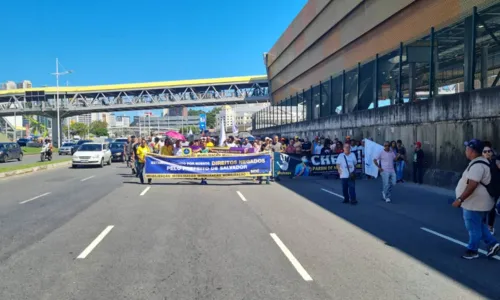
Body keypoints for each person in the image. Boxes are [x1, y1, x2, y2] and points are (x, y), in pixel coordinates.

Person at [452, 139, 499, 259]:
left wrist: (460, 199)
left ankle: (472, 250)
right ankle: (493, 244)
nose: (465, 150)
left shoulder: (478, 165)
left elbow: (472, 185)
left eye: (467, 148)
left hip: (475, 204)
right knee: (478, 225)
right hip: (481, 203)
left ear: (472, 150)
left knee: (472, 227)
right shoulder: (480, 162)